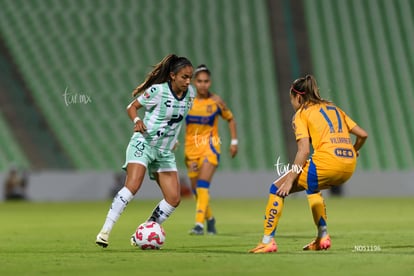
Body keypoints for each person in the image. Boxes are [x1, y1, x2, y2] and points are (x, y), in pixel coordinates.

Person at [249, 75, 368, 253]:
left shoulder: (301, 114)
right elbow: (363, 134)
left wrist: (289, 180)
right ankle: (322, 237)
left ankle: (268, 241)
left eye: (292, 100)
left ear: (298, 97)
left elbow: (303, 150)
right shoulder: (333, 108)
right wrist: (353, 149)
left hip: (326, 162)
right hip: (349, 165)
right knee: (312, 186)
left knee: (276, 189)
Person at [95, 54, 195, 248]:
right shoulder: (158, 91)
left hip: (164, 152)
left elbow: (176, 122)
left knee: (174, 198)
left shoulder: (190, 94)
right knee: (132, 186)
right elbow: (131, 107)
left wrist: (173, 141)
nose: (188, 81)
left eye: (190, 77)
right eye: (184, 77)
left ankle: (146, 230)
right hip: (144, 143)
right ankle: (105, 231)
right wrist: (137, 120)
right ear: (173, 75)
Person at [184, 64, 238, 235]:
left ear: (210, 82)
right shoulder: (187, 101)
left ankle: (199, 224)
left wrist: (234, 141)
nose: (203, 85)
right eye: (199, 81)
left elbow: (230, 119)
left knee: (202, 185)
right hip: (190, 150)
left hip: (210, 147)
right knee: (195, 190)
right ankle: (210, 219)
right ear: (193, 82)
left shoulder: (216, 101)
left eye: (206, 81)